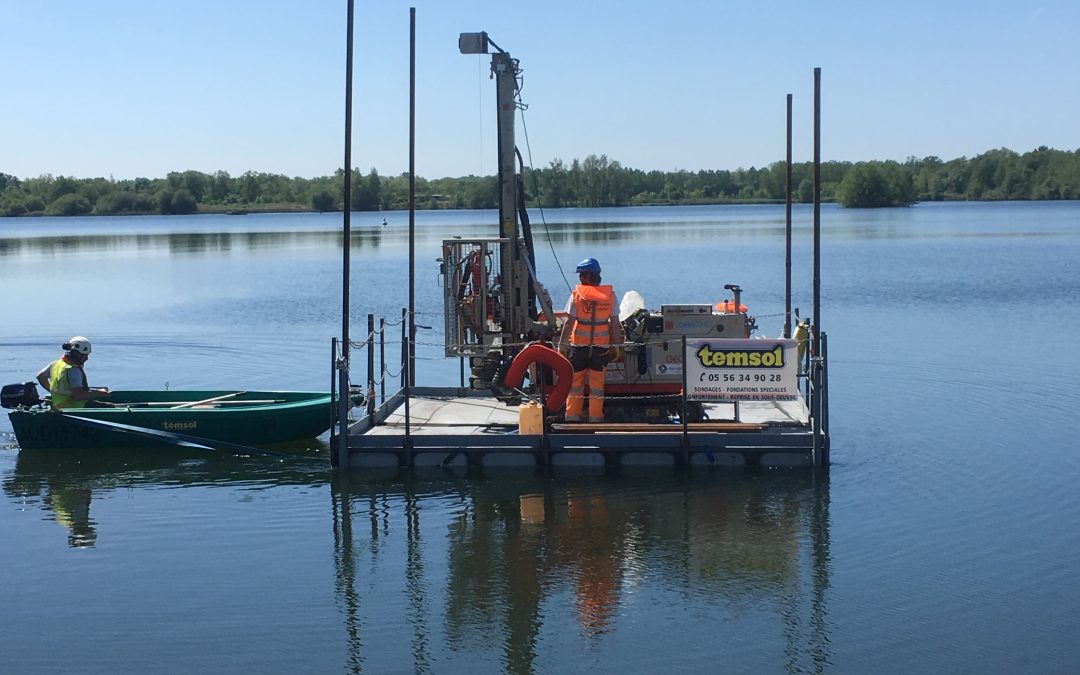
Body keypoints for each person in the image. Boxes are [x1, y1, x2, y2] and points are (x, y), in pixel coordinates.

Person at [557, 258, 624, 423]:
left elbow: (569, 323)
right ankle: (595, 419)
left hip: (579, 348)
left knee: (575, 385)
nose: (579, 278)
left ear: (587, 276)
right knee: (597, 388)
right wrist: (616, 345)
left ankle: (572, 418)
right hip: (601, 349)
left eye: (581, 275)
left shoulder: (576, 296)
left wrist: (562, 345)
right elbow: (615, 324)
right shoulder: (610, 296)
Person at [36, 336, 110, 409]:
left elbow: (40, 376)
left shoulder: (56, 364)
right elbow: (79, 396)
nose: (86, 358)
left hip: (58, 405)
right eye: (85, 355)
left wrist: (53, 392)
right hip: (73, 407)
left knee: (106, 404)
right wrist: (100, 393)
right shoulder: (73, 370)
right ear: (76, 353)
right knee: (110, 406)